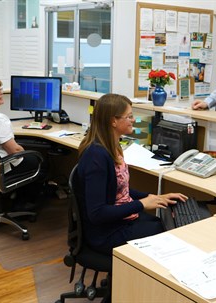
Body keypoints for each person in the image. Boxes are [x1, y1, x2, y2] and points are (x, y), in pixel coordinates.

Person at [76, 93, 187, 256]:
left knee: (163, 222)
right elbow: (97, 214)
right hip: (104, 234)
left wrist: (154, 197)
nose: (133, 120)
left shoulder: (113, 147)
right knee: (166, 231)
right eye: (129, 116)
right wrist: (142, 204)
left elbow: (120, 189)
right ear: (113, 121)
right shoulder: (96, 157)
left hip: (117, 221)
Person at [0, 78, 45, 210]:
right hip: (0, 167)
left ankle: (11, 199)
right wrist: (25, 150)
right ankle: (23, 204)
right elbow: (15, 151)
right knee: (39, 160)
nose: (1, 93)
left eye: (0, 89)